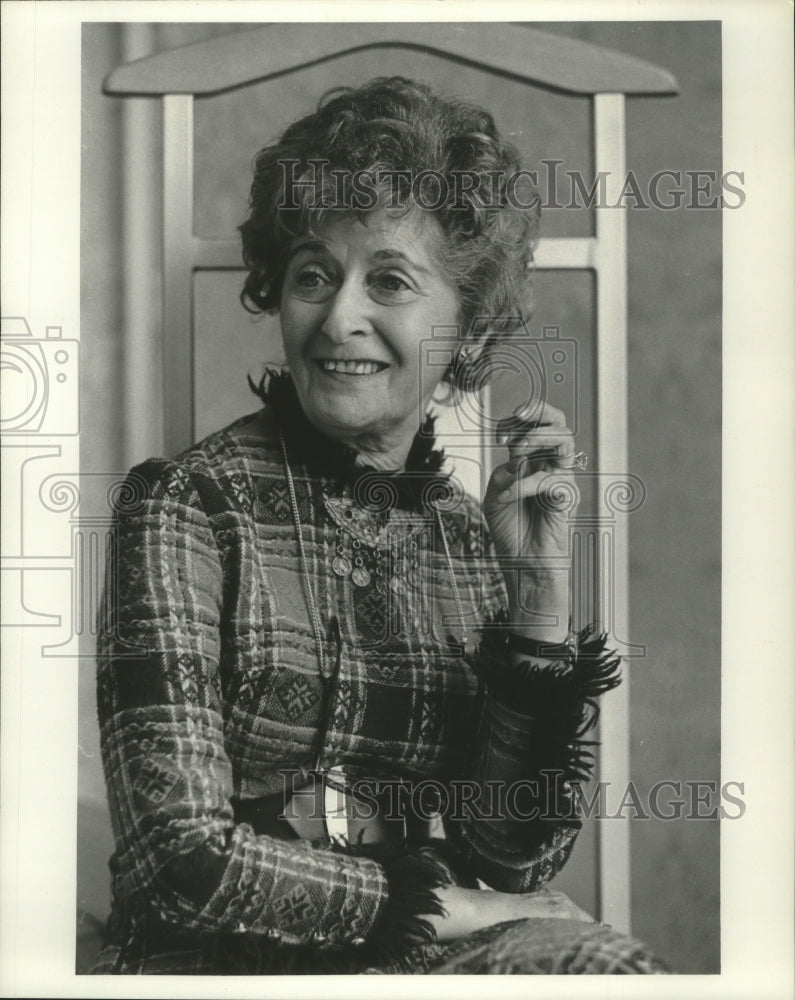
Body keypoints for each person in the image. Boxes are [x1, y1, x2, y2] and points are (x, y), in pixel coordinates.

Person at [93, 77, 669, 975]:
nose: (338, 316)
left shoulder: (465, 537)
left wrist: (538, 600)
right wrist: (449, 906)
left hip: (419, 964)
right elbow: (178, 862)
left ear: (465, 332)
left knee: (604, 969)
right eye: (312, 274)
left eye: (389, 279)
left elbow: (516, 857)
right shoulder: (186, 506)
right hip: (216, 968)